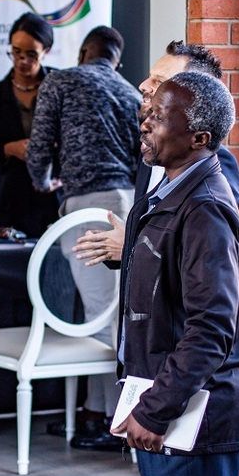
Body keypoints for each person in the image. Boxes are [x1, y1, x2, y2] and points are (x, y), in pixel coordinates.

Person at [111, 72, 239, 476]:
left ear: (198, 137)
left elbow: (210, 329)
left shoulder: (205, 207)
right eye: (149, 112)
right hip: (165, 401)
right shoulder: (170, 191)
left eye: (160, 115)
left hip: (190, 419)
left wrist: (155, 410)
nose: (145, 122)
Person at [25, 26, 141, 452]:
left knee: (103, 314)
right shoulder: (131, 93)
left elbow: (40, 145)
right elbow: (140, 158)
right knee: (109, 311)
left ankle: (114, 422)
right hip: (124, 205)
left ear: (84, 50)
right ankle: (95, 411)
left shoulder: (63, 80)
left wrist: (41, 180)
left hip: (87, 206)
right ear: (115, 58)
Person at [72, 41, 239, 267]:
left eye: (160, 82)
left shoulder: (218, 164)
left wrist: (131, 246)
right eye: (150, 77)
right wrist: (120, 245)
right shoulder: (151, 150)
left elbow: (203, 249)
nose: (143, 85)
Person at [0, 12, 60, 238]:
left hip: (58, 198)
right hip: (11, 200)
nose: (22, 60)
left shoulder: (63, 88)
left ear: (46, 51)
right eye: (16, 52)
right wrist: (9, 149)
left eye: (31, 54)